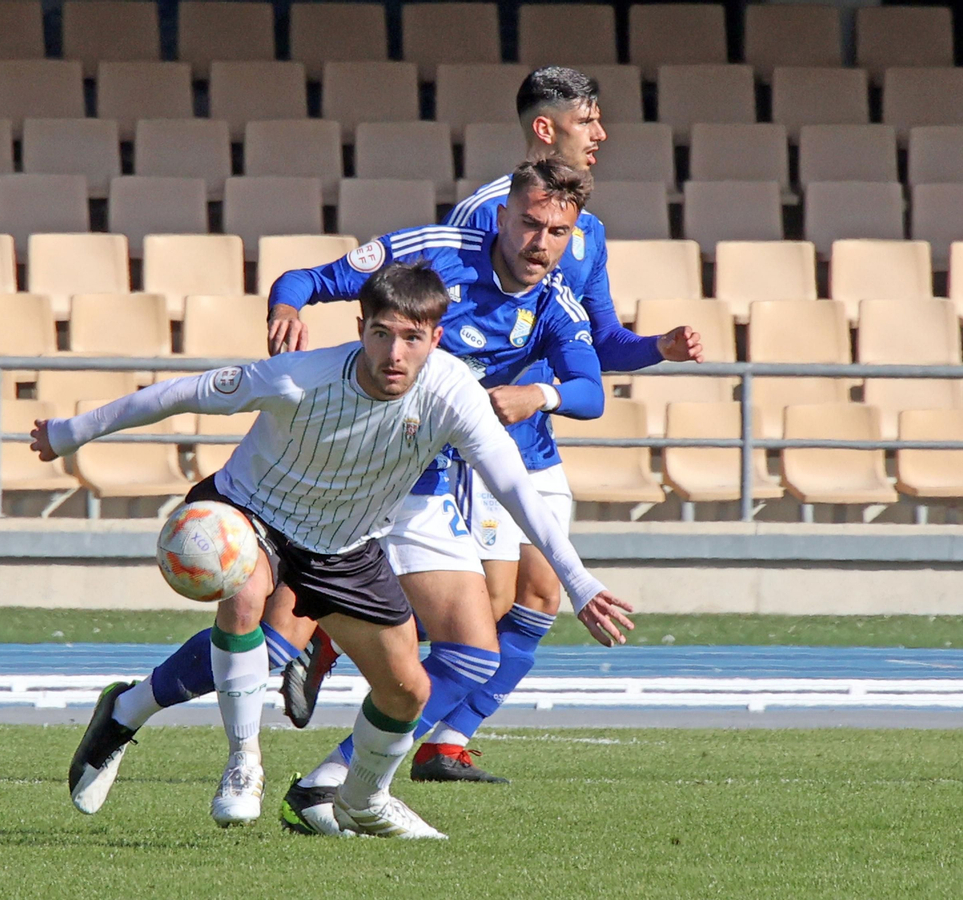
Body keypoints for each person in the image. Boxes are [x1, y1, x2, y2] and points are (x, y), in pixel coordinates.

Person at [63, 161, 634, 835]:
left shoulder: (548, 307)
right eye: (530, 223)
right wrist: (285, 308)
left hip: (414, 486)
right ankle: (172, 727)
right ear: (501, 215)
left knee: (470, 654)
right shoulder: (426, 257)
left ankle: (334, 786)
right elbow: (305, 282)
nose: (541, 241)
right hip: (319, 485)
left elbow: (585, 401)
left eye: (558, 231)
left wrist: (544, 399)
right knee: (264, 636)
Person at [271, 66, 701, 784]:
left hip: (530, 439)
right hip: (466, 449)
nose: (601, 133)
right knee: (482, 613)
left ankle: (441, 740)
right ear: (546, 128)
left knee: (536, 598)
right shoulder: (476, 224)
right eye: (589, 119)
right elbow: (434, 322)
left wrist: (652, 349)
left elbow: (593, 349)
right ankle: (338, 648)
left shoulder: (585, 233)